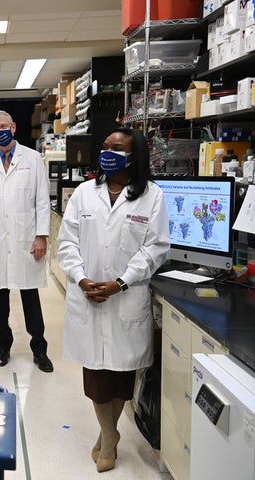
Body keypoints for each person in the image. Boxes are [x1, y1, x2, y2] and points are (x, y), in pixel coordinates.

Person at [57, 127, 170, 473]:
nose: (108, 152)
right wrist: (82, 278)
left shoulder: (151, 196)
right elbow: (67, 242)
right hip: (88, 295)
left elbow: (157, 247)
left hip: (126, 297)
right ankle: (110, 437)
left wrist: (121, 283)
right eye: (105, 146)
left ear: (134, 155)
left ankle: (108, 436)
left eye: (117, 148)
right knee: (96, 377)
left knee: (122, 375)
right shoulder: (83, 194)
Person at [0, 110, 53, 372]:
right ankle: (3, 345)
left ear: (14, 127)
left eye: (4, 126)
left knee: (30, 295)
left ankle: (39, 348)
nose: (0, 131)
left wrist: (41, 235)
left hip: (25, 237)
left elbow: (42, 198)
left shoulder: (33, 158)